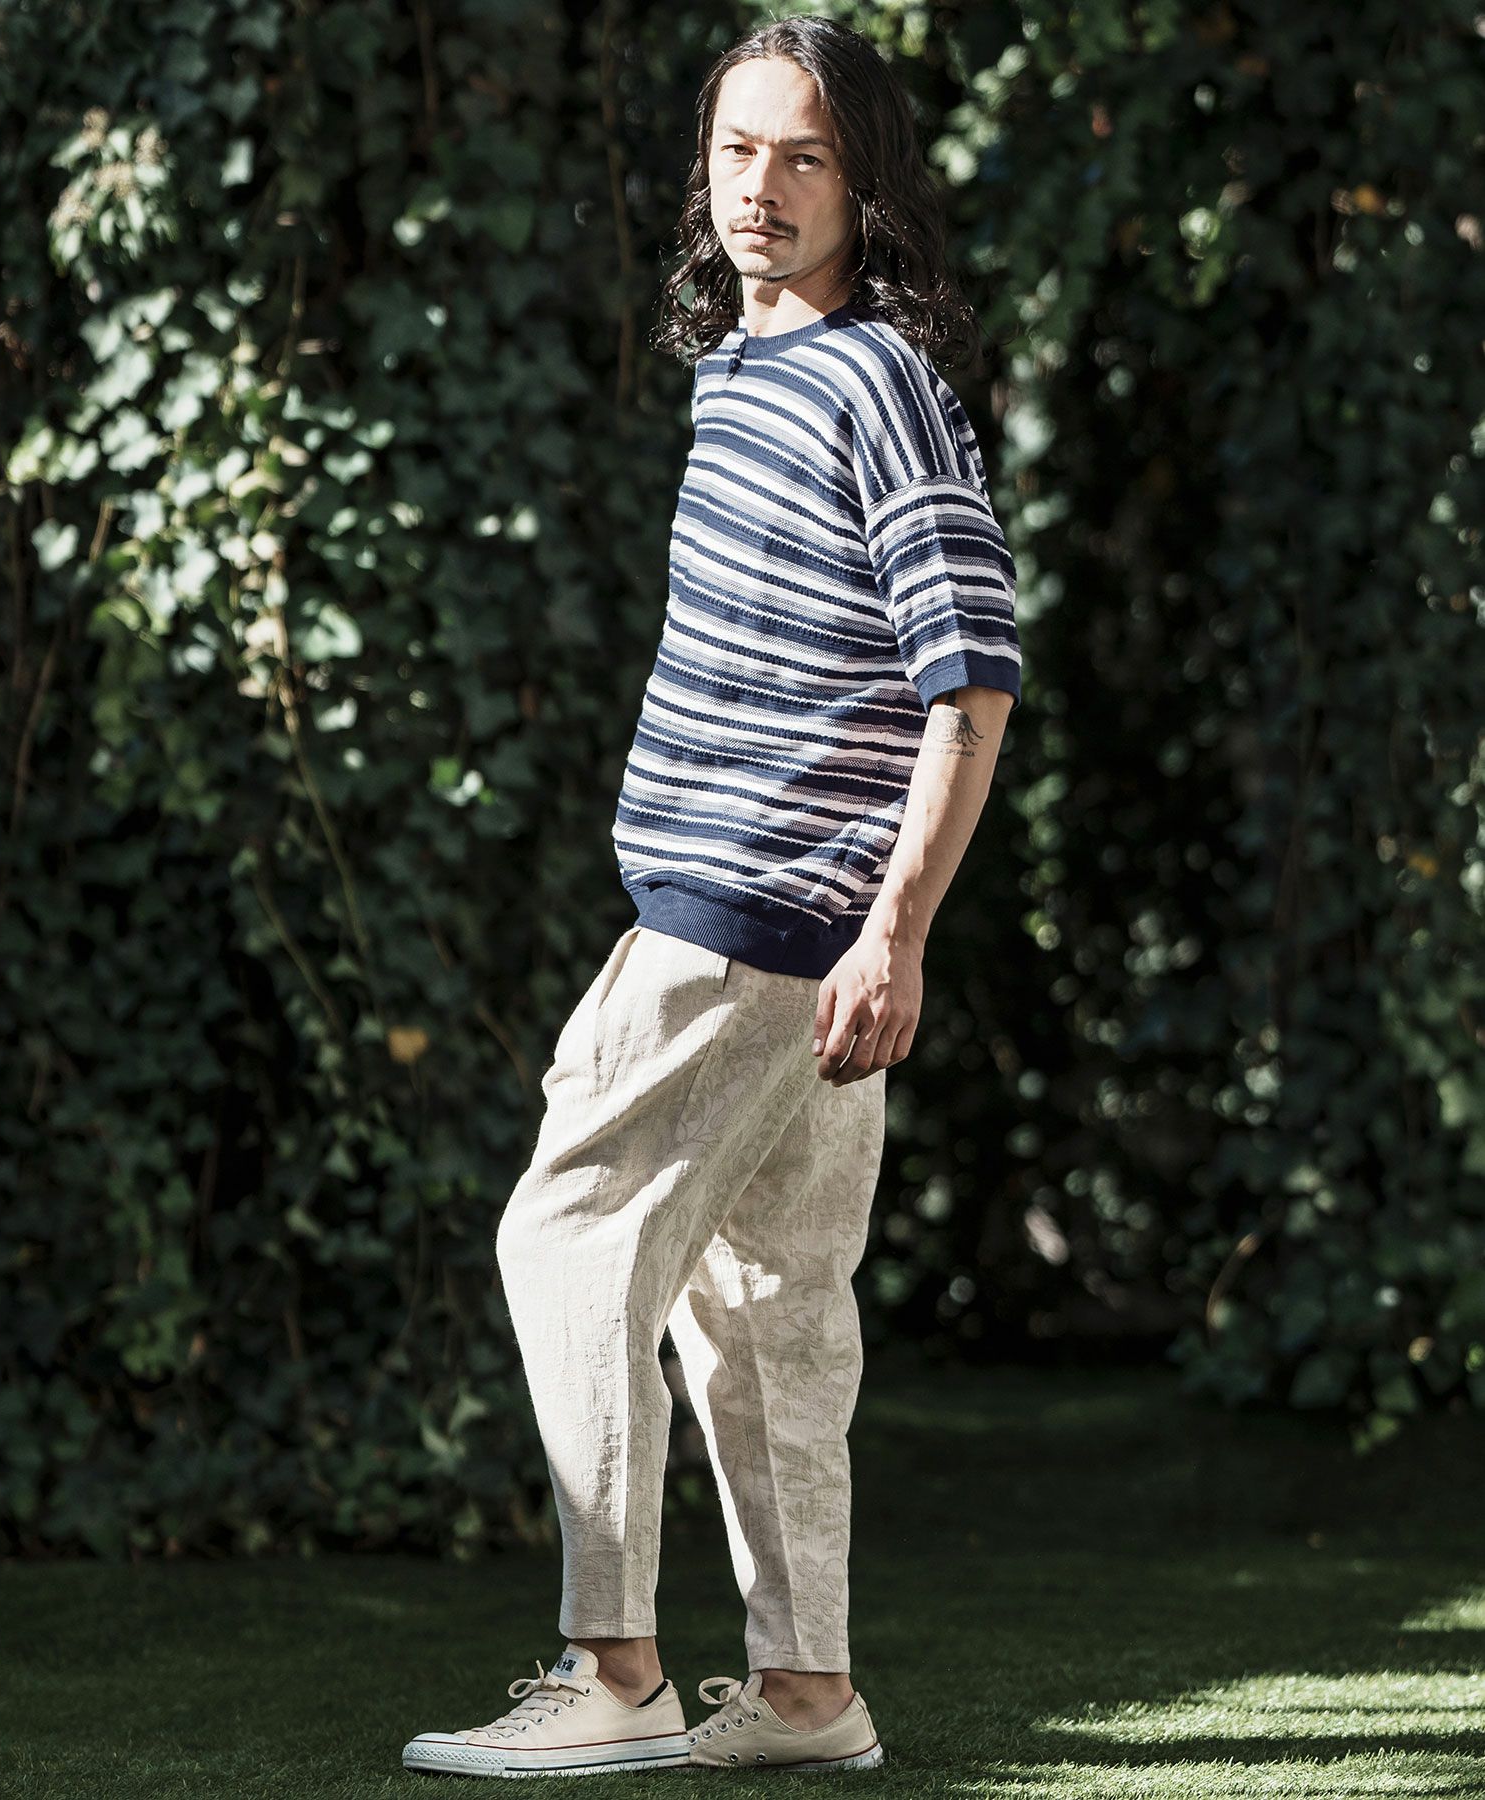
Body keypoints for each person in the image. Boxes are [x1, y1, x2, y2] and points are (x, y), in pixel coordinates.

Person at [403, 13, 1020, 1781]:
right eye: (737, 150)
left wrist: (896, 929)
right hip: (777, 925)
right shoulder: (743, 369)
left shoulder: (876, 378)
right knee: (764, 1308)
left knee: (567, 1236)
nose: (762, 186)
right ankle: (808, 1695)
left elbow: (971, 677)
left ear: (865, 183)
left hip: (754, 921)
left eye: (805, 155)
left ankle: (614, 1670)